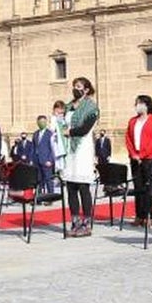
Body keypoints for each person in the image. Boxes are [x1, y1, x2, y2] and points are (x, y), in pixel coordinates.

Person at [62, 77, 99, 237]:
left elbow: (85, 129)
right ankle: (75, 222)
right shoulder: (69, 106)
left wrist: (69, 132)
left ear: (86, 89)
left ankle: (86, 224)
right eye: (74, 86)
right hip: (70, 149)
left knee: (83, 187)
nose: (75, 89)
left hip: (83, 148)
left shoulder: (92, 107)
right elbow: (63, 123)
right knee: (71, 187)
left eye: (78, 86)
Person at [125, 94, 152, 228]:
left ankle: (148, 216)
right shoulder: (132, 121)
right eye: (136, 103)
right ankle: (139, 216)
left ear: (147, 105)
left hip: (150, 158)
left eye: (139, 103)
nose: (137, 106)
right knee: (138, 187)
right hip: (135, 159)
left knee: (149, 188)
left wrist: (142, 155)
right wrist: (133, 154)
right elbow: (128, 139)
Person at [32, 115, 56, 196]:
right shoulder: (35, 134)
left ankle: (50, 197)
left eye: (43, 122)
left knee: (48, 179)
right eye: (40, 122)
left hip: (46, 161)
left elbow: (53, 148)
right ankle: (38, 197)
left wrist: (50, 160)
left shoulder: (50, 134)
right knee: (38, 180)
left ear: (46, 122)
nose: (41, 123)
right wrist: (32, 159)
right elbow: (33, 147)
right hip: (37, 160)